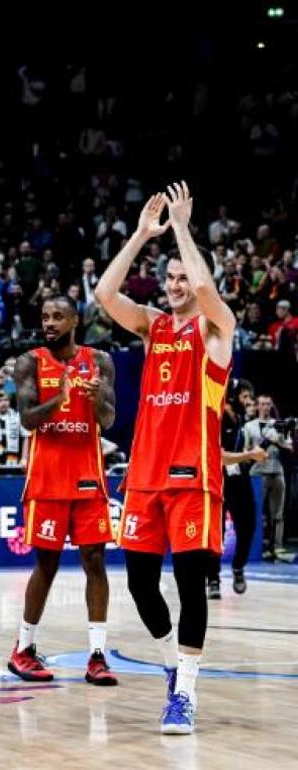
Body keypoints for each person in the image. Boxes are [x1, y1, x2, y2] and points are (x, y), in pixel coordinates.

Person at [94, 184, 235, 734]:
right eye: (170, 278)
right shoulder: (155, 328)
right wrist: (139, 236)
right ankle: (177, 666)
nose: (177, 286)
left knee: (190, 585)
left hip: (194, 478)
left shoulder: (215, 329)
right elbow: (106, 295)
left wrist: (180, 226)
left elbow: (203, 284)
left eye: (182, 278)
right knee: (139, 585)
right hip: (145, 478)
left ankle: (186, 693)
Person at [7, 296, 119, 686]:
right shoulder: (29, 362)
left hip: (88, 476)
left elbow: (109, 418)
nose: (50, 323)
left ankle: (98, 655)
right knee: (47, 564)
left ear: (75, 320)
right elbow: (26, 420)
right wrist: (62, 398)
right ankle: (23, 648)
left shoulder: (100, 361)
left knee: (95, 561)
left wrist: (94, 400)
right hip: (48, 480)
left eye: (58, 316)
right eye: (45, 317)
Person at [213, 383, 268, 596]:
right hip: (219, 480)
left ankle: (238, 566)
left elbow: (245, 450)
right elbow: (220, 455)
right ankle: (213, 578)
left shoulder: (244, 420)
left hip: (240, 479)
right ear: (233, 399)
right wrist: (249, 455)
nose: (250, 402)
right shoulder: (216, 418)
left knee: (249, 525)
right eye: (245, 397)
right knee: (216, 531)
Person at [242, 394, 292, 562]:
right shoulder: (249, 426)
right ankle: (255, 549)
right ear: (257, 406)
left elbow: (290, 448)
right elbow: (245, 451)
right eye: (262, 404)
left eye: (268, 404)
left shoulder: (280, 424)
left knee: (277, 514)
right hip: (257, 474)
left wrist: (276, 442)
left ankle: (275, 548)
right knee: (255, 513)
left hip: (277, 471)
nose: (266, 407)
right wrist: (255, 449)